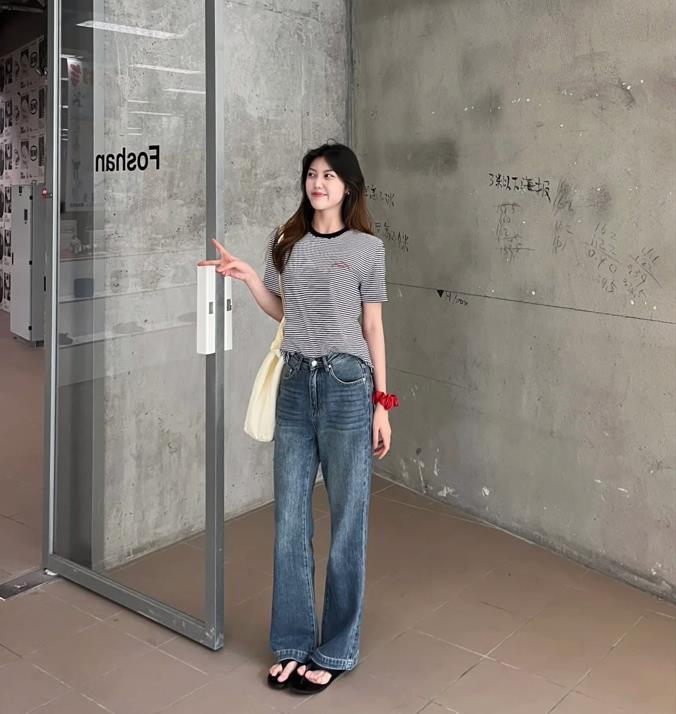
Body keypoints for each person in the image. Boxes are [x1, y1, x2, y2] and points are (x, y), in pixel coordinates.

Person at [198, 141, 398, 694]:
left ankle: (336, 647)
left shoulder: (368, 248)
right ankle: (291, 642)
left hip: (347, 384)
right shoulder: (287, 240)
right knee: (290, 520)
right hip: (295, 383)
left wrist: (382, 405)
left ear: (348, 186)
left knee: (348, 520)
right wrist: (248, 277)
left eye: (329, 175)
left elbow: (373, 327)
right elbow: (285, 312)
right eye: (312, 173)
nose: (318, 182)